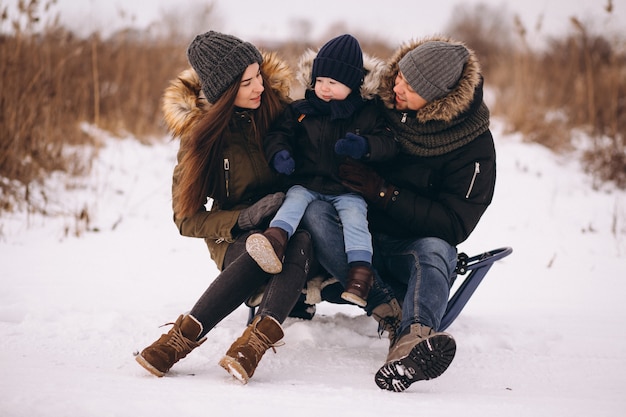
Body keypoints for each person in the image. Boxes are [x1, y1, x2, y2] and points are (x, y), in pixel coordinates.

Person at [300, 36, 496, 392]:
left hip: (413, 248)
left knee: (438, 250)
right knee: (315, 213)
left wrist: (383, 192)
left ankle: (413, 341)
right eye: (400, 74)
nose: (396, 85)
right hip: (359, 241)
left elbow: (454, 224)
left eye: (410, 84)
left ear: (438, 99)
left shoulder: (474, 146)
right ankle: (387, 309)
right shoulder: (381, 106)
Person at [135, 31, 315, 385]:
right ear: (223, 92)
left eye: (258, 76)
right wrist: (243, 218)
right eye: (246, 82)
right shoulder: (201, 137)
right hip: (233, 236)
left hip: (289, 224)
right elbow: (186, 219)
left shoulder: (278, 112)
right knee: (255, 249)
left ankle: (253, 345)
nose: (259, 87)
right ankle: (178, 340)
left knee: (302, 240)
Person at [244, 34, 396, 307]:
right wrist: (280, 154)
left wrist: (364, 146)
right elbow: (279, 134)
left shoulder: (368, 113)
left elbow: (388, 143)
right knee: (292, 203)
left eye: (333, 83)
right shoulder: (302, 110)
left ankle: (361, 273)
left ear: (353, 85)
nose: (324, 88)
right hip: (308, 183)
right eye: (320, 80)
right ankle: (275, 241)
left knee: (355, 220)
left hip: (347, 187)